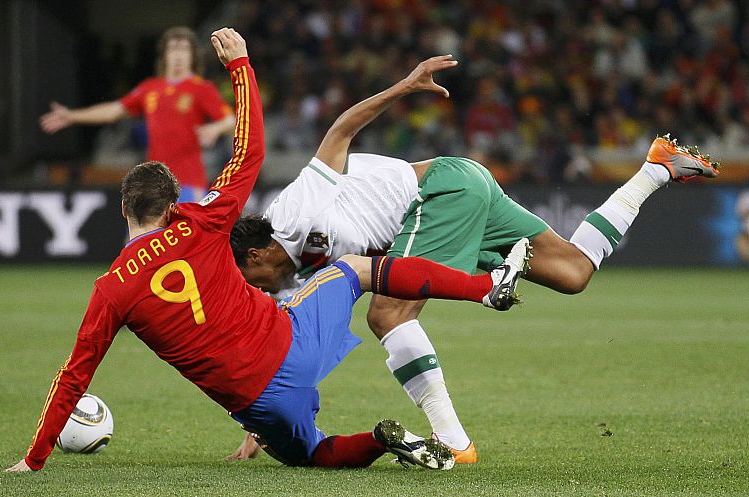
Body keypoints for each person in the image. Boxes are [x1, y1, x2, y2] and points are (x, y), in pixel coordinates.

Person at [6, 28, 530, 473]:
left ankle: (378, 440)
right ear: (172, 207)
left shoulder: (111, 289)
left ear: (124, 209)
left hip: (258, 405)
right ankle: (487, 288)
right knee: (354, 270)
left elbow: (75, 373)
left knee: (311, 454)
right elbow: (249, 150)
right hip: (293, 346)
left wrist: (33, 459)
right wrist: (240, 67)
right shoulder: (205, 224)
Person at [228, 55, 720, 463]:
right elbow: (301, 355)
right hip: (464, 186)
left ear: (255, 254)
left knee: (388, 311)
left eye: (248, 277)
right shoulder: (292, 279)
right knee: (573, 272)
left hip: (438, 192)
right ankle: (657, 169)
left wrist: (404, 86)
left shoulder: (289, 215)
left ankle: (456, 444)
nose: (256, 289)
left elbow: (338, 133)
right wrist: (266, 424)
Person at [40, 26, 235, 202]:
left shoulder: (201, 89)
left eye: (184, 49)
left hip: (188, 184)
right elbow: (113, 111)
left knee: (186, 240)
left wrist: (215, 128)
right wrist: (72, 116)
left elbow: (231, 120)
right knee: (139, 240)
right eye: (173, 48)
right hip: (154, 185)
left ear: (193, 55)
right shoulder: (150, 88)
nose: (178, 55)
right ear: (164, 54)